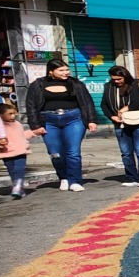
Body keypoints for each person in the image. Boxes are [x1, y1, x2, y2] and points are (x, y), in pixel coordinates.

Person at [23, 57, 97, 191]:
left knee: (73, 151)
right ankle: (63, 177)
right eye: (61, 70)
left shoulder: (76, 84)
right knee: (55, 152)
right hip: (49, 120)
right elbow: (31, 106)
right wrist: (35, 125)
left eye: (67, 69)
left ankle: (75, 180)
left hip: (74, 118)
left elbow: (87, 102)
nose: (66, 72)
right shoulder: (38, 84)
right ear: (51, 71)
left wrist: (92, 120)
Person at [101, 65, 139, 187]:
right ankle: (131, 177)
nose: (117, 81)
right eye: (114, 79)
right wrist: (111, 116)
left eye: (119, 79)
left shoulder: (138, 84)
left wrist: (128, 108)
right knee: (125, 151)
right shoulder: (109, 87)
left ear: (125, 76)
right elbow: (103, 105)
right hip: (120, 122)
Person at [0, 101, 31, 198]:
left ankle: (17, 186)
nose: (13, 116)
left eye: (14, 113)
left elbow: (22, 135)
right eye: (10, 114)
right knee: (12, 170)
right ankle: (18, 188)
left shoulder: (17, 124)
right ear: (0, 115)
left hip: (20, 150)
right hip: (5, 152)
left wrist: (34, 132)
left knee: (19, 169)